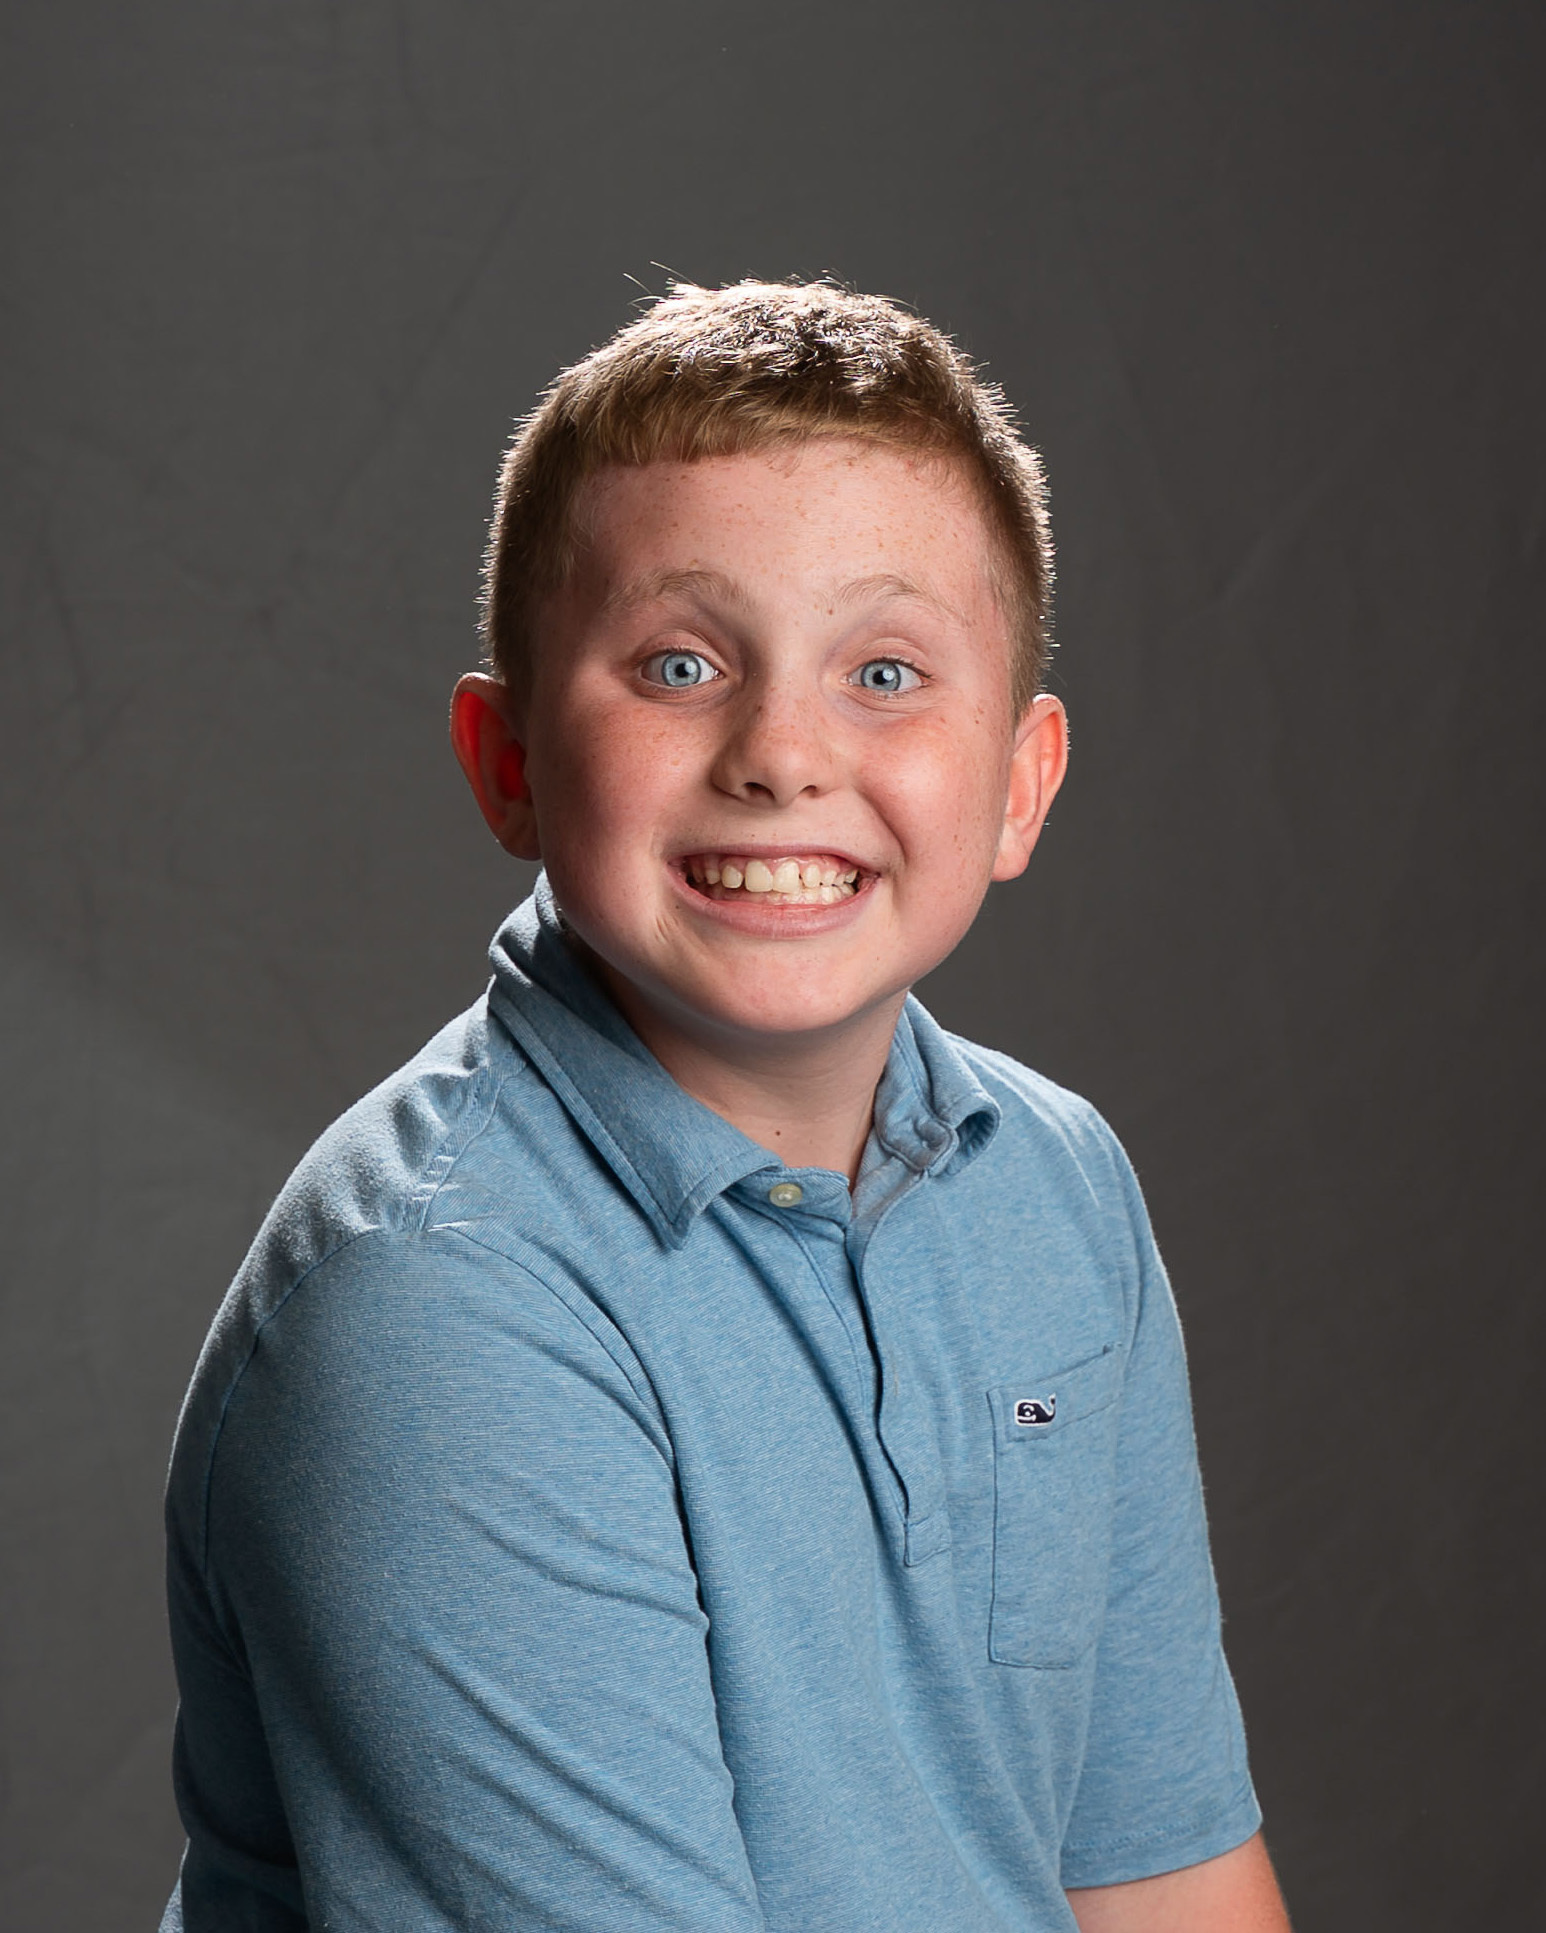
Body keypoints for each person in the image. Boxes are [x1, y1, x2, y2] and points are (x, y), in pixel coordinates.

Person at [160, 281, 1291, 1931]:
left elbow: (1163, 1876)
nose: (780, 752)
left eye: (884, 670)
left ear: (1019, 784)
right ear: (507, 761)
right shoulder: (438, 1302)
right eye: (680, 663)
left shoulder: (1055, 1184)